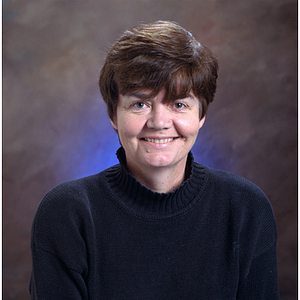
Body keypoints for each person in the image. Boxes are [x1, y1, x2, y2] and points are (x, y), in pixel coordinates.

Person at [30, 20, 279, 299]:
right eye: (140, 104)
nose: (159, 122)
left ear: (201, 115)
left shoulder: (246, 209)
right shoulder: (67, 214)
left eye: (179, 104)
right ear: (114, 115)